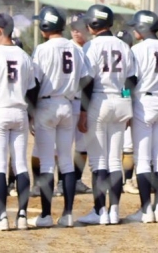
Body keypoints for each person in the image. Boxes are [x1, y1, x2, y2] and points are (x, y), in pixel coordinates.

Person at [28, 6, 90, 228]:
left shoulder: (42, 49)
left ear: (47, 25)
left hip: (46, 104)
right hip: (68, 104)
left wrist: (31, 112)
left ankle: (46, 215)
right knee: (66, 161)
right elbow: (86, 80)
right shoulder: (75, 49)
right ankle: (68, 214)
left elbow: (34, 83)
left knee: (47, 162)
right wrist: (83, 110)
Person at [0, 13, 36, 231]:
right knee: (20, 164)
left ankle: (1, 217)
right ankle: (22, 216)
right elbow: (32, 91)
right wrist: (30, 116)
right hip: (20, 112)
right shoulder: (24, 56)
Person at [77, 4, 135, 226]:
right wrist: (128, 104)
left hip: (99, 100)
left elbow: (87, 81)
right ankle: (115, 210)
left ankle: (100, 210)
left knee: (98, 161)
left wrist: (83, 111)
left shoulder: (90, 46)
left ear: (93, 24)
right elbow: (131, 80)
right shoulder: (124, 46)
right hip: (120, 100)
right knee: (114, 160)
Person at [125, 10, 158, 223]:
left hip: (144, 103)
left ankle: (146, 210)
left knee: (143, 159)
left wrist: (126, 103)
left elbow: (130, 81)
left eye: (135, 26)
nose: (133, 30)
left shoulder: (137, 49)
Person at [69, 14, 91, 195]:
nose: (76, 31)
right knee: (62, 145)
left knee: (83, 146)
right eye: (73, 28)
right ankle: (63, 181)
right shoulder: (67, 48)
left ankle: (76, 179)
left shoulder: (91, 48)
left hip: (86, 103)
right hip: (68, 102)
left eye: (80, 28)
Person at [115, 29, 140, 195]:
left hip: (124, 101)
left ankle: (128, 180)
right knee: (119, 145)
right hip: (118, 101)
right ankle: (122, 181)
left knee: (127, 145)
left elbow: (130, 83)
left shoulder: (132, 57)